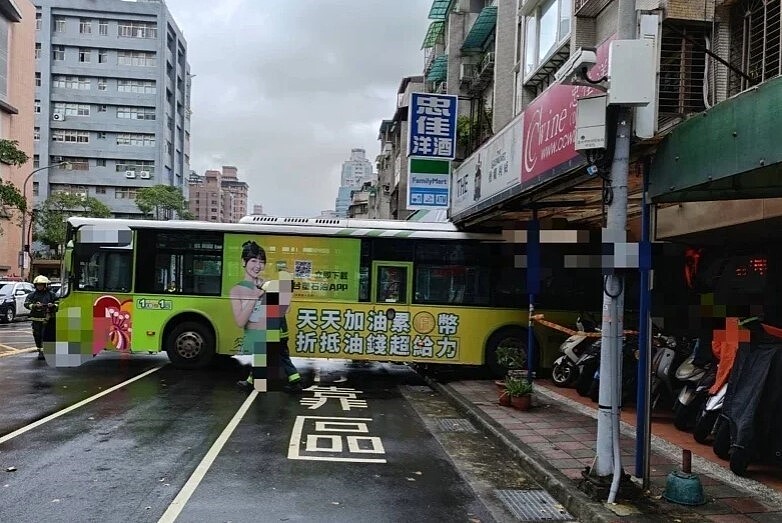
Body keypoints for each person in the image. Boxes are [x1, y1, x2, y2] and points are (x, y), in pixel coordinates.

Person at [230, 240, 303, 393]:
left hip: (271, 335)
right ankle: (295, 380)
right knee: (282, 357)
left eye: (261, 261)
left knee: (261, 357)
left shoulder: (269, 298)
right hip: (282, 335)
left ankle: (251, 382)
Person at [24, 275, 58, 361]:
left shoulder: (51, 295)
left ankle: (46, 352)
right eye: (38, 285)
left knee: (46, 335)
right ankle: (40, 351)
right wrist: (35, 306)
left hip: (48, 319)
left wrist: (53, 305)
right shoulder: (32, 295)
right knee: (37, 335)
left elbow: (58, 303)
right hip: (36, 319)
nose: (39, 286)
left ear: (45, 285)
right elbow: (26, 304)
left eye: (41, 285)